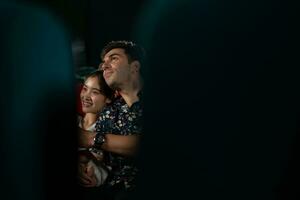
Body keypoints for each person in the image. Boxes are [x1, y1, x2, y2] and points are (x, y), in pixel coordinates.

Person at [79, 40, 145, 200]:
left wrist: (89, 138)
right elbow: (100, 157)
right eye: (103, 62)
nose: (104, 66)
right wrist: (83, 163)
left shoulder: (165, 98)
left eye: (113, 58)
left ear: (134, 67)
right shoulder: (108, 112)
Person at [77, 70, 114, 188]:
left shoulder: (108, 132)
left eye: (95, 92)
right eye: (85, 88)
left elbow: (104, 172)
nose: (86, 96)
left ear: (108, 98)